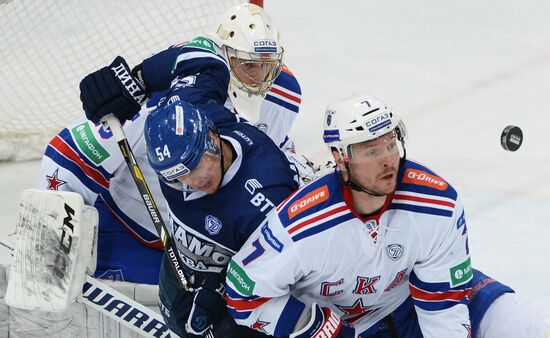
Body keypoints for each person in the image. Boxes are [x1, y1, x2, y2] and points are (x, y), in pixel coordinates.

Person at [225, 92, 549, 337]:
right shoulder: (301, 225)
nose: (388, 160)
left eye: (390, 144)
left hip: (416, 301)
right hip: (351, 328)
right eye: (371, 150)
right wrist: (317, 328)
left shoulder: (437, 203)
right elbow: (244, 293)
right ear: (340, 158)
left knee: (529, 324)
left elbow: (443, 306)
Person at [39, 2, 303, 285]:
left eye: (268, 65)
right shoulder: (171, 101)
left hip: (208, 245)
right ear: (225, 56)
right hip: (127, 231)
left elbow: (274, 148)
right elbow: (70, 153)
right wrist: (54, 235)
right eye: (248, 65)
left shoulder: (284, 92)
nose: (260, 78)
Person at [143, 98, 300, 337]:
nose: (194, 183)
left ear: (212, 138)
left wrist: (218, 291)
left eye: (195, 167)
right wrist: (136, 80)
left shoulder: (269, 195)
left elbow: (283, 278)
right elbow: (200, 67)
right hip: (177, 282)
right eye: (178, 178)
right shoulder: (193, 118)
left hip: (236, 310)